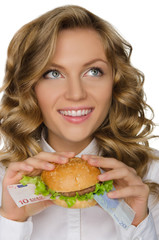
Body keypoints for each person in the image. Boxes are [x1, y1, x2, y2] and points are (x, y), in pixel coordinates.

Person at [0, 5, 159, 240]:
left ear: (115, 83)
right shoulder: (4, 181)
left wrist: (138, 223)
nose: (76, 94)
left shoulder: (152, 175)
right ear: (29, 87)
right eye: (53, 73)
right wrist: (10, 222)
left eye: (93, 71)